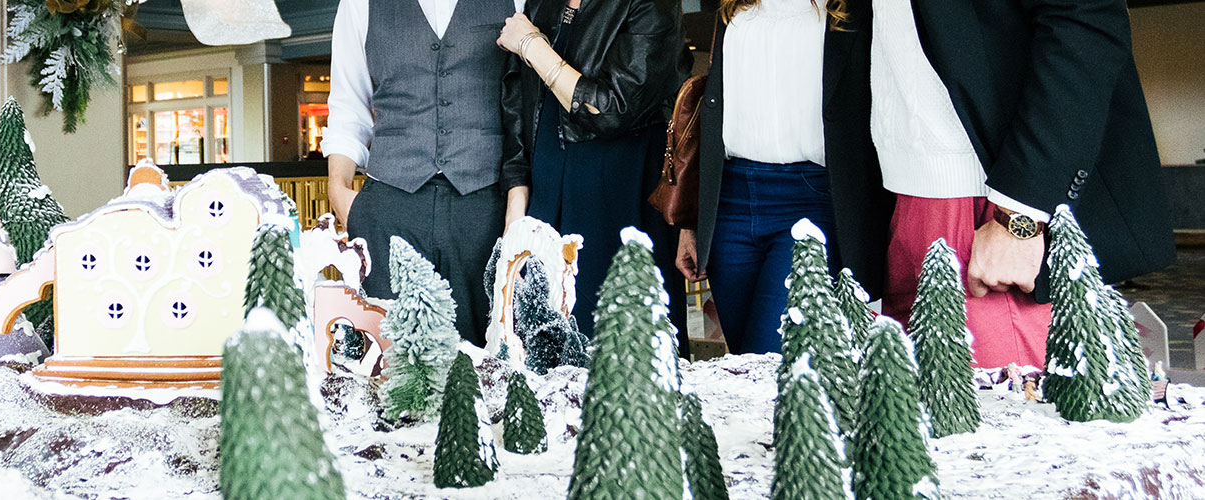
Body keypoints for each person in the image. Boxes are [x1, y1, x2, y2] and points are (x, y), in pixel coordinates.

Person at [874, 0, 1176, 368]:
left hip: (991, 207)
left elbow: (1085, 16)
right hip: (901, 203)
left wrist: (1021, 214)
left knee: (1006, 415)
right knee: (917, 417)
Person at [675, 0, 892, 355]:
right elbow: (715, 119)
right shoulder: (732, 9)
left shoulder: (850, 9)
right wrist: (692, 221)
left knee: (773, 360)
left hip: (811, 200)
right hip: (730, 203)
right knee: (746, 360)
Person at [321, 0, 528, 345]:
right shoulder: (359, 3)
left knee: (486, 356)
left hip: (484, 205)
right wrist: (339, 192)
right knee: (392, 357)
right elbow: (348, 106)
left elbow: (526, 105)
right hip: (389, 206)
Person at [496, 0, 693, 339]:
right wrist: (517, 196)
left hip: (618, 198)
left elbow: (614, 108)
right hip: (545, 195)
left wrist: (532, 45)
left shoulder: (654, 5)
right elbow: (517, 97)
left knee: (618, 348)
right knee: (541, 345)